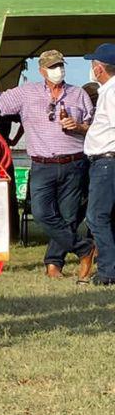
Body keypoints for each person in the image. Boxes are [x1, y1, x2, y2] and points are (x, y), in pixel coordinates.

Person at [0, 50, 96, 280]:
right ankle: (84, 248)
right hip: (42, 163)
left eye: (60, 65)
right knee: (41, 214)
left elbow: (93, 127)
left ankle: (54, 264)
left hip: (74, 162)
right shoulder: (26, 93)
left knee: (69, 216)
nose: (57, 70)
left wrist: (79, 127)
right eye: (52, 66)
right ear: (41, 71)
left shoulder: (78, 93)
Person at [83, 44, 115, 286]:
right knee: (106, 217)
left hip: (106, 161)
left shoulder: (111, 92)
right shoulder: (107, 90)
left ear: (99, 68)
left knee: (97, 217)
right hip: (105, 161)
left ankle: (107, 271)